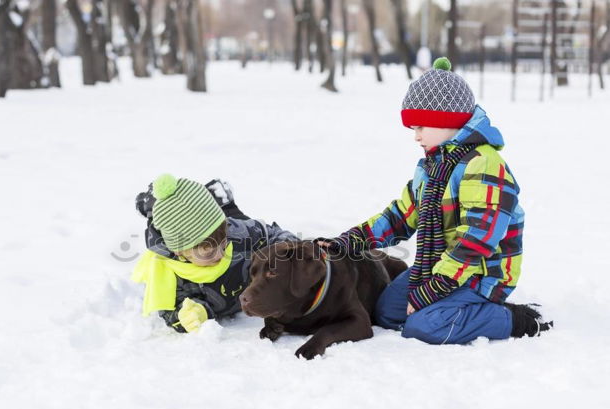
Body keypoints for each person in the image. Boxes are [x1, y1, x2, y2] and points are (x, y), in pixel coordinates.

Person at [318, 57, 552, 344]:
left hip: (481, 273)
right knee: (388, 313)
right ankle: (454, 307)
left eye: (420, 127)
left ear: (446, 121)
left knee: (424, 326)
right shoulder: (431, 167)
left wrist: (431, 291)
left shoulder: (484, 164)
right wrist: (351, 240)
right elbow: (400, 217)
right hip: (439, 266)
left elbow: (476, 242)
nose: (415, 137)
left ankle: (510, 319)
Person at [131, 174, 297, 332]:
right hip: (187, 230)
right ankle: (150, 205)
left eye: (224, 245)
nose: (220, 255)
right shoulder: (170, 276)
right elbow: (171, 312)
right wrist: (193, 314)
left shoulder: (235, 233)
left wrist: (291, 249)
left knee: (237, 218)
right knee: (168, 219)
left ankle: (222, 201)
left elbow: (272, 234)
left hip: (224, 222)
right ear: (180, 251)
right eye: (208, 253)